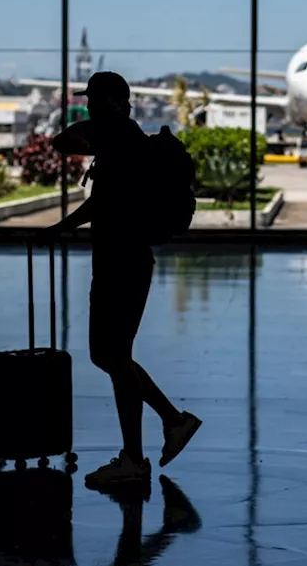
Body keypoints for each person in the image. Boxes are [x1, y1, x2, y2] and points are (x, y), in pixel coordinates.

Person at [41, 71, 201, 490]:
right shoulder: (119, 140)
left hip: (120, 262)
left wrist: (58, 229)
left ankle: (170, 422)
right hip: (125, 260)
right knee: (116, 358)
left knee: (108, 356)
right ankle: (136, 454)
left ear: (110, 103)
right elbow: (64, 143)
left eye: (94, 100)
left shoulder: (122, 145)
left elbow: (99, 202)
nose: (87, 106)